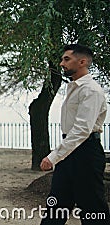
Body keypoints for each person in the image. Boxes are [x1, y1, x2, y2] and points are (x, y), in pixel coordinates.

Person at [40, 44, 110, 224]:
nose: (61, 63)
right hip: (70, 152)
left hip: (86, 152)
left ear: (82, 62)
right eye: (62, 59)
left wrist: (53, 156)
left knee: (92, 209)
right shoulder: (75, 87)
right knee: (56, 205)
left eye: (66, 59)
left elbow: (81, 130)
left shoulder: (91, 90)